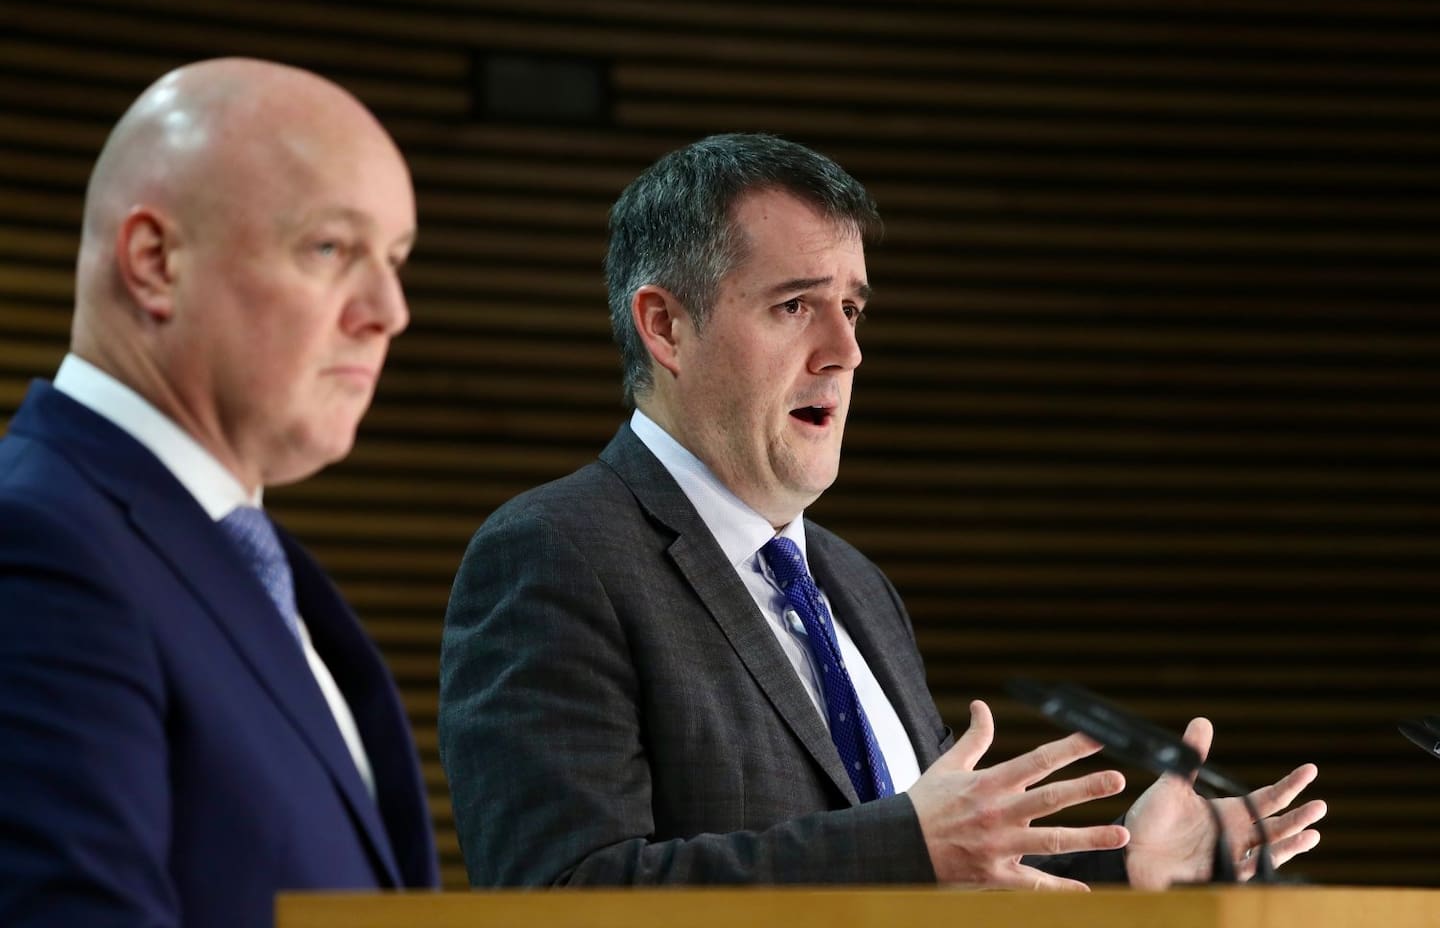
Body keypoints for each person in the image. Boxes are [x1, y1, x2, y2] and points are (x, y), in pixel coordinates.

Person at [438, 133, 1325, 889]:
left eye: (853, 307)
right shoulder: (554, 552)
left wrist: (1127, 861)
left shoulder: (856, 585)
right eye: (796, 306)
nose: (847, 351)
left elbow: (952, 868)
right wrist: (904, 843)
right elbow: (561, 892)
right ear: (665, 327)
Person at [0, 58, 438, 927]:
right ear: (155, 261)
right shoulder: (39, 543)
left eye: (393, 259)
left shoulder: (247, 559)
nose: (389, 310)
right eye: (331, 247)